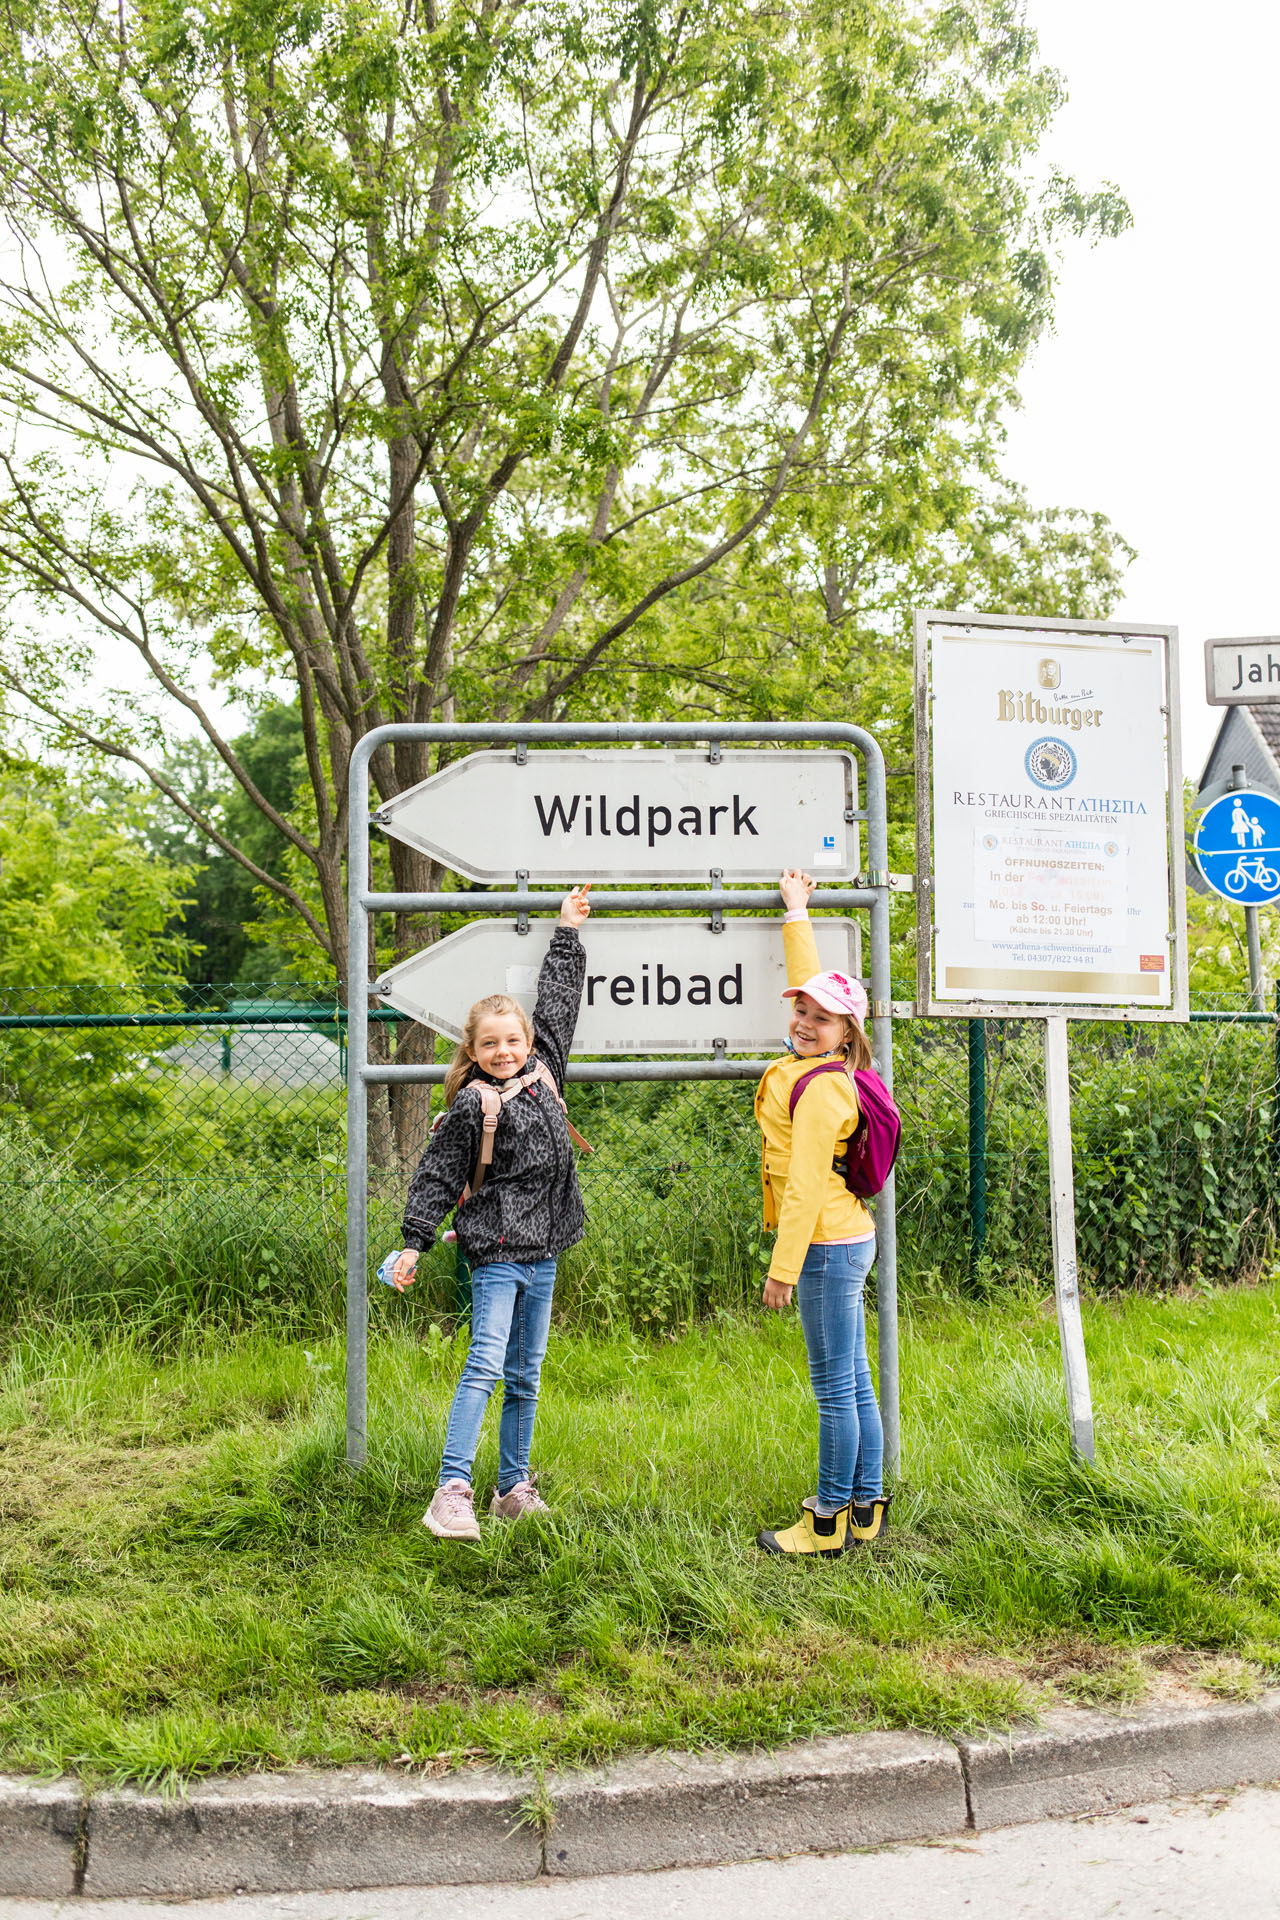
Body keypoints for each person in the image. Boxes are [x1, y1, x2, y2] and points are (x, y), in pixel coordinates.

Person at [385, 885, 591, 1541]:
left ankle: (512, 1487)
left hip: (547, 1250)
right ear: (472, 1052)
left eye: (513, 1039)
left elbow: (559, 1004)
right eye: (490, 1044)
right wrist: (416, 1242)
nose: (505, 1050)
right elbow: (439, 1171)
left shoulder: (545, 1069)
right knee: (484, 1367)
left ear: (528, 1041)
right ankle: (451, 1490)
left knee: (527, 1375)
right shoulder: (476, 1105)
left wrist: (566, 929)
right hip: (498, 1252)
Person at [755, 868, 890, 1556]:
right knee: (855, 1379)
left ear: (848, 1031)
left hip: (825, 1243)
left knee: (835, 1388)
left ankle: (827, 1521)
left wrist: (783, 1270)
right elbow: (817, 993)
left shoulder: (823, 1092)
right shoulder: (822, 1062)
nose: (805, 1024)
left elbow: (806, 1187)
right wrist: (797, 914)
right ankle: (866, 1506)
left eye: (821, 1018)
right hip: (842, 1238)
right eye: (799, 1012)